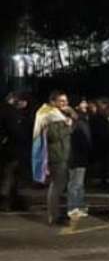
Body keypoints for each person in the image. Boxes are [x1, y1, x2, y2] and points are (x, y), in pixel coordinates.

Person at [33, 91, 73, 225]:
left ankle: (59, 214)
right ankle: (54, 216)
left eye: (66, 101)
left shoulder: (59, 115)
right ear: (53, 102)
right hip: (56, 155)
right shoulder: (49, 115)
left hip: (63, 154)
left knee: (60, 186)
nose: (65, 103)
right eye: (62, 101)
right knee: (57, 186)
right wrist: (68, 126)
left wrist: (70, 118)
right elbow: (53, 136)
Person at [67, 99, 92, 219]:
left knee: (79, 184)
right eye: (82, 102)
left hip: (81, 155)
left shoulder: (83, 119)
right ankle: (72, 207)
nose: (85, 105)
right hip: (75, 155)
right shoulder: (76, 122)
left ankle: (79, 206)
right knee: (74, 183)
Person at [0, 93, 25, 211]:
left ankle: (9, 201)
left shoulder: (4, 110)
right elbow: (15, 131)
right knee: (10, 175)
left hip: (6, 148)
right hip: (12, 149)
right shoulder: (11, 112)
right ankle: (6, 202)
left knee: (8, 174)